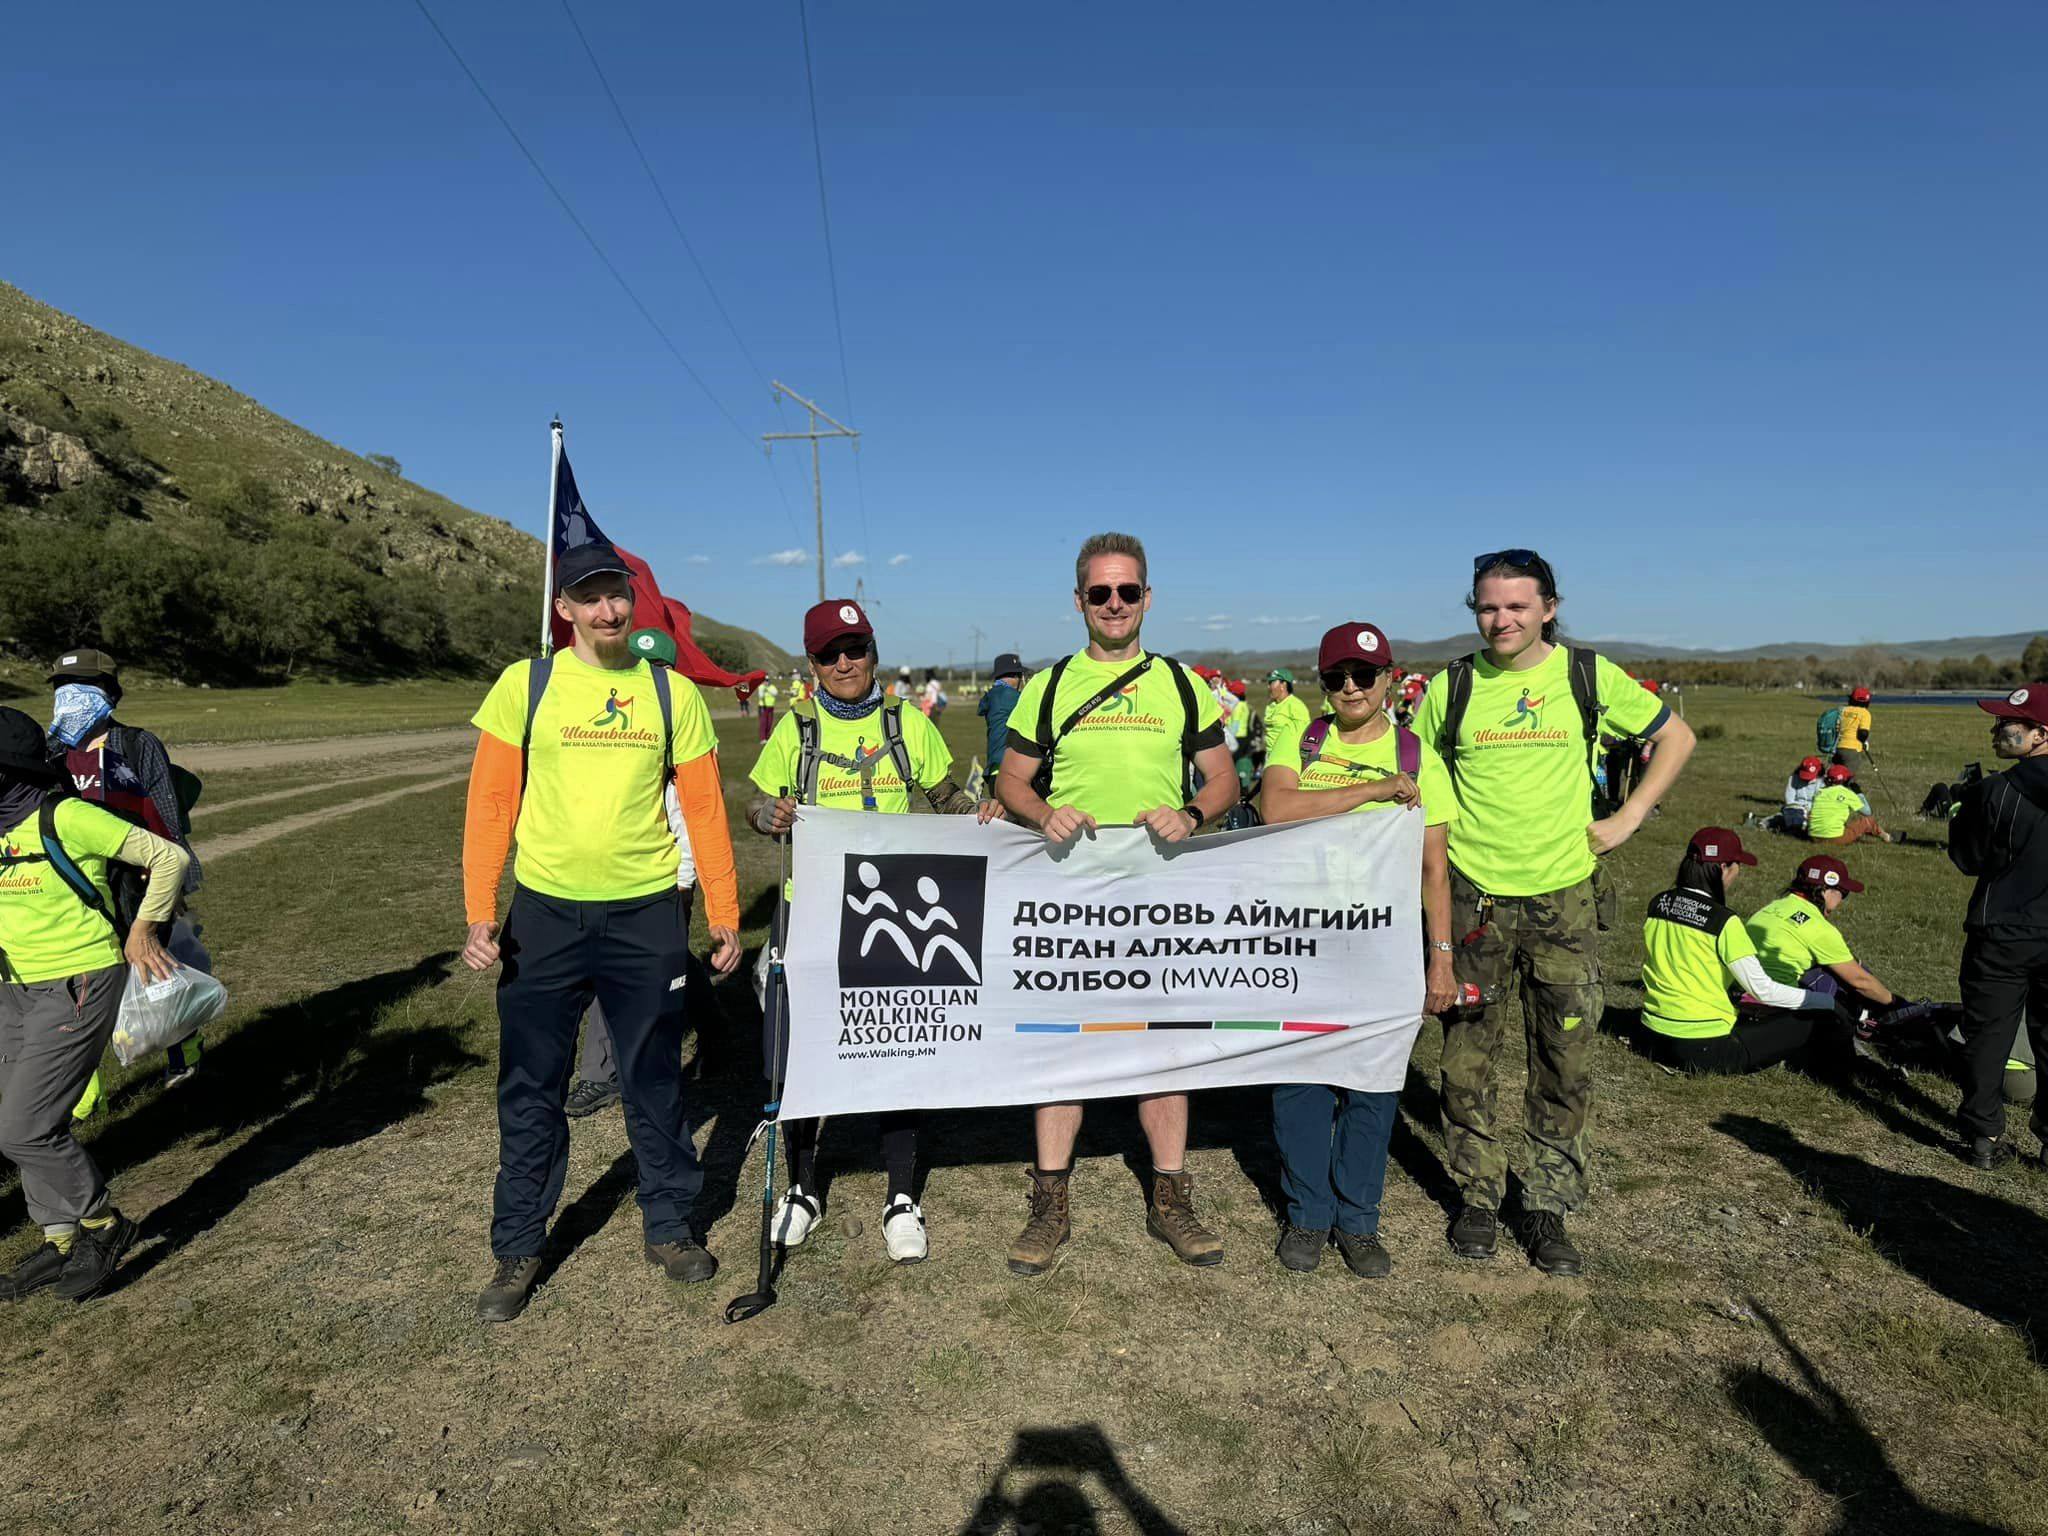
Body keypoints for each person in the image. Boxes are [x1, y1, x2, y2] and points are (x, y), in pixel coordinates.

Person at [460, 542, 742, 1323]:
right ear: (565, 610)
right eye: (589, 597)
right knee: (531, 1084)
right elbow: (490, 803)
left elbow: (708, 811)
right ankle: (518, 1246)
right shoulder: (528, 684)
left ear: (631, 600)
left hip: (646, 911)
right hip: (544, 913)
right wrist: (481, 909)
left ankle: (670, 1224)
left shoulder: (670, 694)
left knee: (653, 1076)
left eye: (616, 595)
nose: (608, 610)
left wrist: (722, 910)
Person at [1413, 548, 1695, 1276]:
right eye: (1486, 606)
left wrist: (1630, 817)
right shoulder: (1450, 688)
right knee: (1466, 1057)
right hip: (1476, 898)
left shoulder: (1586, 675)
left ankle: (1546, 1203)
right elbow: (1421, 790)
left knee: (1563, 1058)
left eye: (1515, 605)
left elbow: (1676, 737)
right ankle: (1477, 1194)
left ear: (1549, 607)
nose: (1500, 619)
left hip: (1564, 897)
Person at [995, 532, 1238, 1275]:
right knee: (1064, 1043)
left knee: (1163, 1044)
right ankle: (1050, 1201)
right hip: (1069, 897)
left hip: (1158, 895)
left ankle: (1171, 1196)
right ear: (1079, 601)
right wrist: (1041, 815)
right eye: (1099, 593)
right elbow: (1011, 779)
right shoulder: (1049, 685)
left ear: (1147, 598)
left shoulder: (1181, 683)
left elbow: (1224, 780)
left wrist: (1193, 815)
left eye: (1126, 591)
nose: (1113, 604)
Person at [747, 599, 994, 1262]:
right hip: (813, 909)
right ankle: (801, 1188)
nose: (845, 662)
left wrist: (986, 814)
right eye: (830, 653)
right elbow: (755, 803)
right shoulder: (794, 728)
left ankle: (902, 1197)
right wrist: (767, 812)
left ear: (873, 653)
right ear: (812, 662)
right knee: (799, 1052)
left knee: (896, 1045)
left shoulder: (905, 723)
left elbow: (951, 803)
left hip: (891, 919)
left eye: (855, 648)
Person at [1258, 623, 1460, 1276]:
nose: (1350, 687)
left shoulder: (1416, 753)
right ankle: (1308, 1215)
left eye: (1364, 675)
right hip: (1301, 936)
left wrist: (1442, 954)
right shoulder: (1302, 737)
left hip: (1384, 945)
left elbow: (1434, 868)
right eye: (1336, 677)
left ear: (1391, 680)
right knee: (1302, 1081)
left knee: (1372, 1086)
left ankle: (1359, 1220)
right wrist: (1371, 792)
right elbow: (1276, 810)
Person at [0, 706, 190, 1302]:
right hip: (14, 988)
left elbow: (169, 858)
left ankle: (104, 1225)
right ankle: (60, 1240)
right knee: (26, 1120)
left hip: (78, 980)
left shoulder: (67, 816)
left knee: (25, 1129)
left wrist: (145, 930)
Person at [45, 647, 208, 1092]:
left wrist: (169, 884)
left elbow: (168, 818)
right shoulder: (50, 753)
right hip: (76, 883)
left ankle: (182, 1052)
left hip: (138, 881)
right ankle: (82, 1092)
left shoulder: (136, 744)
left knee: (156, 967)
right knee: (77, 985)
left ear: (109, 695)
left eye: (82, 688)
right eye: (61, 689)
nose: (69, 697)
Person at [563, 629, 706, 1120]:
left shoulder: (680, 728)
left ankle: (599, 1075)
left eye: (659, 670)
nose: (649, 679)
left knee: (621, 978)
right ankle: (720, 1029)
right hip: (616, 879)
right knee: (666, 969)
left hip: (669, 881)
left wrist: (683, 883)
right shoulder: (622, 737)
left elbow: (694, 820)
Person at [1638, 828, 1847, 1074]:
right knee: (1815, 1015)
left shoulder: (1658, 903)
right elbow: (1762, 990)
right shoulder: (1724, 921)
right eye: (1737, 867)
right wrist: (1824, 1001)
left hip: (1651, 1035)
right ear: (1723, 867)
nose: (1737, 874)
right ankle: (1843, 1073)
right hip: (1702, 1048)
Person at [1949, 683, 2048, 1169]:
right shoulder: (1995, 789)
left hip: (2000, 932)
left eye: (2006, 726)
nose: (1994, 732)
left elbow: (1968, 860)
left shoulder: (1993, 793)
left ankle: (1982, 1137)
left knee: (1989, 1037)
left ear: (2040, 734)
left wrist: (1961, 813)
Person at [1745, 854, 1902, 1021]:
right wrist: (1895, 1003)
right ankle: (1860, 1021)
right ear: (1826, 890)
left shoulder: (1772, 907)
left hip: (1741, 988)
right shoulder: (1819, 927)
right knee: (1835, 977)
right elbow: (1860, 981)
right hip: (1775, 1002)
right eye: (1844, 893)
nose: (1842, 901)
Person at [1808, 764, 1890, 846]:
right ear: (1845, 780)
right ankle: (1887, 837)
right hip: (1834, 838)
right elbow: (1867, 812)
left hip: (1814, 837)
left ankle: (1878, 834)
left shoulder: (1820, 792)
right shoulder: (1846, 793)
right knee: (1868, 821)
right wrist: (1859, 792)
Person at [978, 653, 1024, 781]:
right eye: (1019, 675)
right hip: (1009, 769)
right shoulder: (1009, 696)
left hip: (994, 767)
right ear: (1015, 676)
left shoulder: (992, 694)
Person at [1262, 669, 1312, 778]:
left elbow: (1306, 737)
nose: (1268, 687)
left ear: (1283, 684)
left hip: (1286, 760)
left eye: (1271, 683)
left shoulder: (1296, 706)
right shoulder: (1271, 705)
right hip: (1270, 757)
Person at [1777, 756, 1827, 836]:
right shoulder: (1793, 778)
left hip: (1814, 812)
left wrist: (1811, 813)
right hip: (1796, 809)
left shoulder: (1823, 782)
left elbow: (1822, 802)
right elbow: (1789, 799)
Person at [1835, 687, 1875, 776]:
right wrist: (1864, 742)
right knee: (1848, 778)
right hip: (1852, 749)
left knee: (1836, 775)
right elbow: (1863, 733)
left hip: (1837, 747)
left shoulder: (1842, 710)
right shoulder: (1865, 713)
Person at [755, 676, 780, 743]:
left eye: (767, 680)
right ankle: (763, 738)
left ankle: (767, 736)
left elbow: (775, 693)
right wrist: (764, 689)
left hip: (770, 707)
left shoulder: (772, 687)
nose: (766, 682)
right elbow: (761, 696)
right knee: (763, 723)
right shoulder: (761, 687)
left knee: (769, 723)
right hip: (763, 707)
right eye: (765, 680)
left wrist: (767, 689)